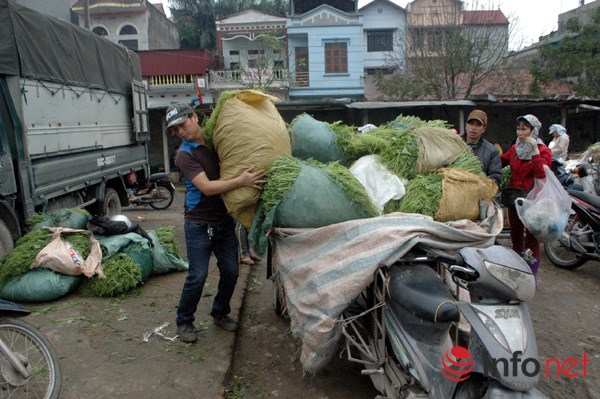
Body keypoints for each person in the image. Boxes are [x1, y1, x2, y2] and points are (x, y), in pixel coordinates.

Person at [166, 104, 266, 343]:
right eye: (175, 128)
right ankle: (184, 321)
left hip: (223, 220)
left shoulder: (216, 142)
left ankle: (220, 312)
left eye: (183, 123)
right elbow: (207, 188)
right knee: (198, 276)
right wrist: (242, 181)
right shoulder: (184, 154)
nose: (180, 130)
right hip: (198, 223)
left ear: (195, 117)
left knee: (231, 272)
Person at [501, 114, 552, 276]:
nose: (520, 133)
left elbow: (541, 174)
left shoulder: (544, 151)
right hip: (515, 198)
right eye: (518, 128)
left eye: (524, 129)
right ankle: (518, 270)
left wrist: (535, 151)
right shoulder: (515, 149)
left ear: (534, 131)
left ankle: (531, 273)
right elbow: (501, 161)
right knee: (515, 234)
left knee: (532, 237)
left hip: (534, 200)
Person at [464, 110, 503, 185]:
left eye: (478, 125)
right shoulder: (454, 145)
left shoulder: (492, 151)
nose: (474, 128)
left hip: (479, 193)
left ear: (483, 129)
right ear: (466, 125)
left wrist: (480, 183)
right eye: (471, 124)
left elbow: (496, 177)